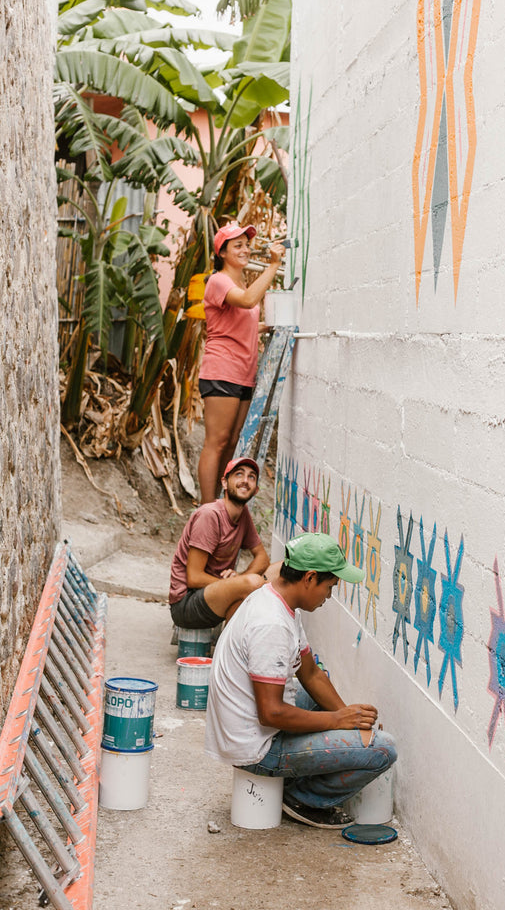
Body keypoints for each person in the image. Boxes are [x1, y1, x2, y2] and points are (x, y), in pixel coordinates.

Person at [205, 532, 398, 828]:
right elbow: (271, 713)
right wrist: (337, 721)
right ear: (309, 578)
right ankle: (304, 799)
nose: (329, 597)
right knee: (384, 749)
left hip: (252, 726)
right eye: (329, 587)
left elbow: (310, 673)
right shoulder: (270, 625)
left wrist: (352, 719)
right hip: (257, 750)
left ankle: (303, 782)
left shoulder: (278, 599)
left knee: (324, 694)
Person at [197, 221, 286, 503]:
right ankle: (206, 509)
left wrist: (264, 327)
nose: (246, 249)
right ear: (222, 252)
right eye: (238, 245)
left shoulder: (240, 282)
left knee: (233, 441)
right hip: (222, 370)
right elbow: (247, 301)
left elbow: (238, 321)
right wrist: (273, 265)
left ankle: (221, 507)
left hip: (244, 374)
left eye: (247, 244)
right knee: (217, 441)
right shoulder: (219, 280)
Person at [169, 457, 269, 630]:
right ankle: (232, 649)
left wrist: (238, 578)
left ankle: (231, 643)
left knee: (280, 571)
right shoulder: (210, 515)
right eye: (239, 474)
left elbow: (262, 558)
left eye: (251, 477)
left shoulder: (242, 513)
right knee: (253, 584)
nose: (245, 481)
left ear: (256, 490)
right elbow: (194, 577)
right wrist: (238, 582)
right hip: (186, 603)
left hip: (213, 593)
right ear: (224, 483)